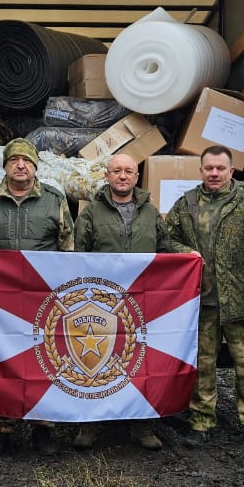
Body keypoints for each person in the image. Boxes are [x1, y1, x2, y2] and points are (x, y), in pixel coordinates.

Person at [0, 137, 74, 460]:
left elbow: (69, 250)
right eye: (14, 160)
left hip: (44, 300)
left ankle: (43, 427)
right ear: (5, 166)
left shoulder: (54, 200)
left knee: (45, 361)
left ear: (35, 167)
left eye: (27, 161)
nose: (20, 165)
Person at [165, 145, 244, 448]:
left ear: (231, 171)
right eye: (209, 168)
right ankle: (201, 421)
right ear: (200, 170)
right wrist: (186, 252)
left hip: (240, 300)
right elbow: (166, 238)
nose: (214, 173)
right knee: (202, 364)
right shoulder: (186, 203)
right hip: (201, 302)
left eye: (220, 168)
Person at [73, 152, 173, 451]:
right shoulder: (91, 213)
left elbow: (166, 254)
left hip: (142, 302)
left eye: (129, 171)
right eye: (116, 170)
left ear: (137, 177)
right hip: (100, 302)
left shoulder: (151, 213)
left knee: (140, 361)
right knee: (95, 360)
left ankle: (142, 424)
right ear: (107, 176)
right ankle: (90, 423)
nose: (123, 176)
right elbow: (78, 257)